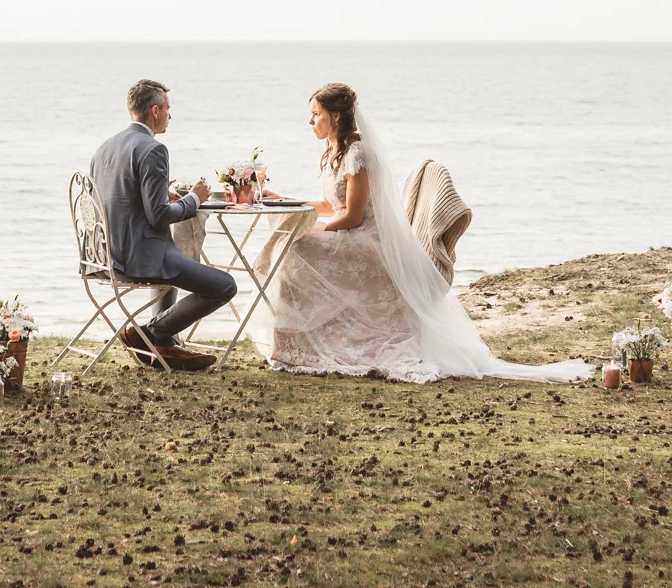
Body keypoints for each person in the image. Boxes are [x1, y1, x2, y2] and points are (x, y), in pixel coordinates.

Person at [254, 83, 588, 384]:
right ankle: (297, 344)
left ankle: (301, 345)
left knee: (298, 249)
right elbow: (330, 203)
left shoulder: (358, 154)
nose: (310, 122)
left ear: (336, 116)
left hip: (367, 241)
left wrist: (317, 228)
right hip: (349, 232)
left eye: (316, 115)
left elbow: (354, 216)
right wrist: (284, 200)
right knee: (294, 241)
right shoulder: (332, 152)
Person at [90, 79, 233, 371]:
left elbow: (121, 201)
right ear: (155, 110)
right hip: (139, 256)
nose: (170, 114)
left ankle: (165, 345)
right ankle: (149, 333)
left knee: (176, 258)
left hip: (104, 255)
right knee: (225, 286)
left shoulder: (104, 149)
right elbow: (158, 216)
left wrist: (158, 193)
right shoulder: (153, 149)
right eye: (168, 108)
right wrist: (194, 198)